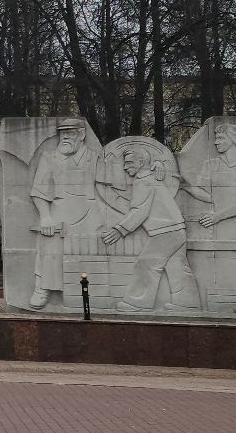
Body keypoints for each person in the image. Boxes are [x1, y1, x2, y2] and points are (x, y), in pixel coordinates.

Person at [101, 147, 200, 311]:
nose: (125, 167)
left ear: (141, 163)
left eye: (129, 163)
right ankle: (187, 303)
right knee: (177, 267)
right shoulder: (152, 178)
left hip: (165, 231)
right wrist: (158, 163)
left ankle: (137, 303)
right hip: (176, 230)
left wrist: (119, 230)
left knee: (146, 264)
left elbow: (140, 210)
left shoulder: (144, 181)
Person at [27, 120, 102, 309]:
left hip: (89, 213)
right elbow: (39, 191)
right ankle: (42, 288)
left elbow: (123, 181)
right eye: (62, 134)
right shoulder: (50, 157)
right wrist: (45, 216)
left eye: (70, 133)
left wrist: (157, 166)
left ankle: (91, 291)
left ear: (82, 135)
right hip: (58, 212)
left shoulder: (96, 158)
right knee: (49, 247)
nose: (65, 137)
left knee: (91, 251)